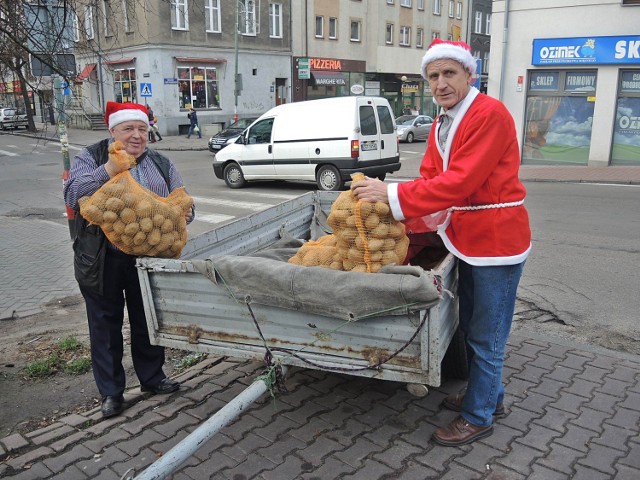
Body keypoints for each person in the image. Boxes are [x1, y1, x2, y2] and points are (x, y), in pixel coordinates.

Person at [351, 39, 531, 447]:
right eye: (433, 76)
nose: (440, 83)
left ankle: (479, 416)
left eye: (449, 73)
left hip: (497, 242)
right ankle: (489, 397)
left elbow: (460, 181)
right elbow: (431, 177)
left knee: (488, 335)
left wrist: (392, 196)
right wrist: (396, 213)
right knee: (471, 327)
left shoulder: (489, 114)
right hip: (467, 240)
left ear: (470, 74)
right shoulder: (441, 121)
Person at [63, 101, 195, 418]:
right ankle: (111, 393)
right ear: (113, 131)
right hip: (101, 257)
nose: (137, 135)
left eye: (142, 128)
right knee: (104, 325)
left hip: (147, 255)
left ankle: (152, 377)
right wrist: (111, 169)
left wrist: (187, 212)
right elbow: (73, 194)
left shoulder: (162, 162)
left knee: (147, 318)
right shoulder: (91, 156)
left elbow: (181, 200)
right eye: (128, 129)